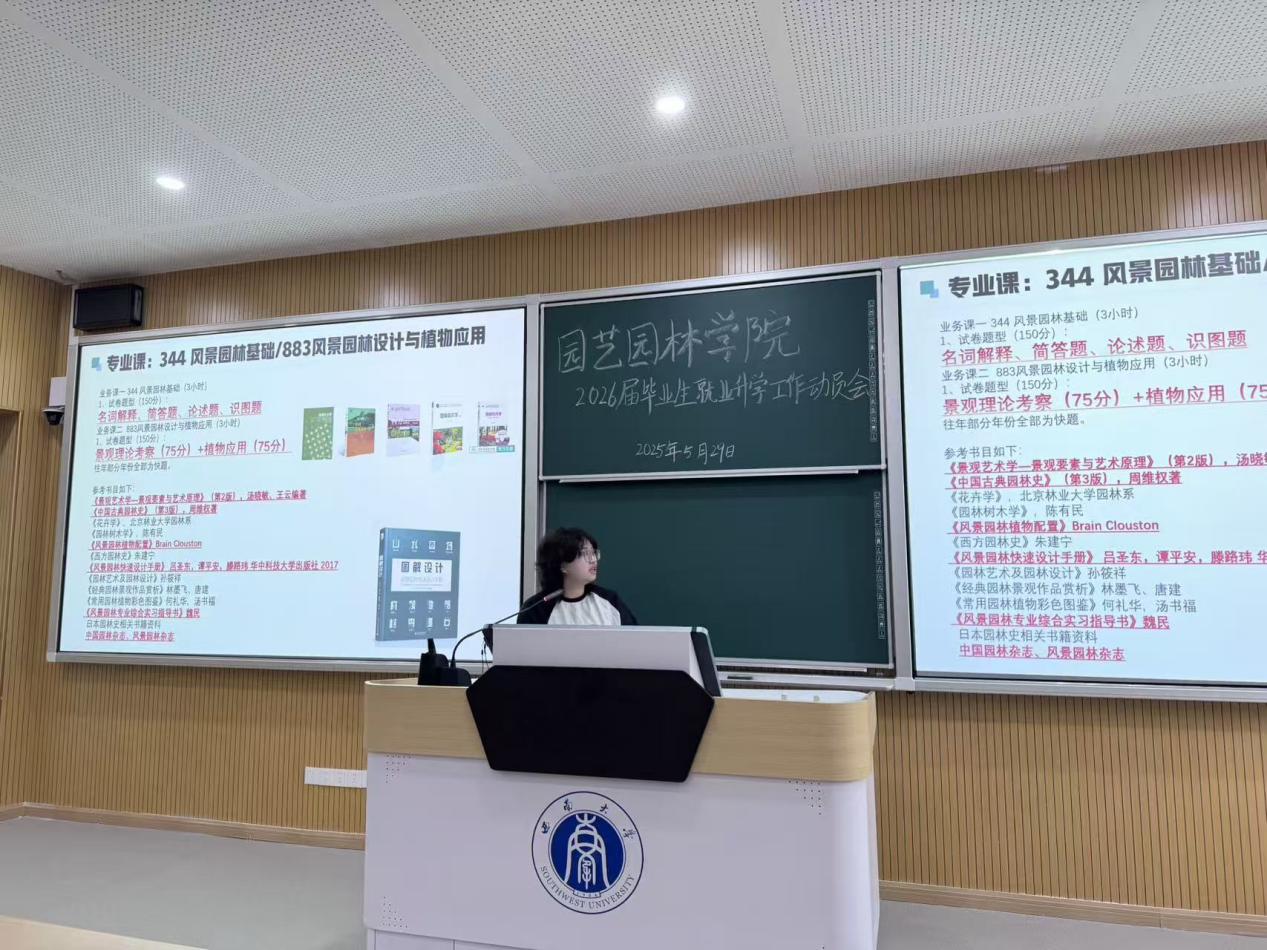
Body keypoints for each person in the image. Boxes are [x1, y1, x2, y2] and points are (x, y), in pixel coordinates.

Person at [518, 527, 637, 626]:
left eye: (593, 553)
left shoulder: (610, 601)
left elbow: (635, 640)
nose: (593, 560)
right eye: (585, 554)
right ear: (562, 565)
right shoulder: (535, 609)